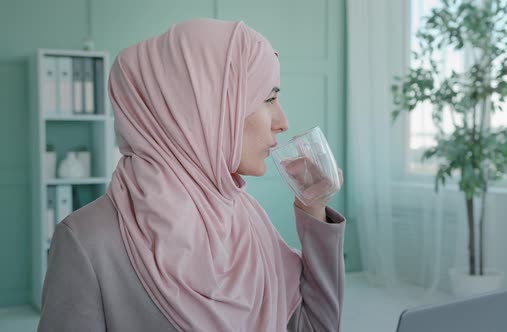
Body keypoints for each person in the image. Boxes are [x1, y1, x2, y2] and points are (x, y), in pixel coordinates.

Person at [37, 18, 346, 332]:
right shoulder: (87, 241)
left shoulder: (247, 220)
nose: (282, 122)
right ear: (203, 107)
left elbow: (315, 327)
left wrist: (314, 206)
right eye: (268, 98)